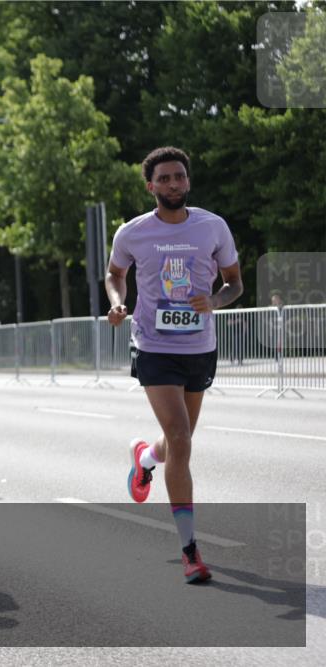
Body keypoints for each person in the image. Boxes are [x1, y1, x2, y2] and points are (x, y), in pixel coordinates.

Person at [107, 146, 243, 584]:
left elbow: (234, 283)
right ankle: (190, 550)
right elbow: (115, 273)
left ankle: (146, 457)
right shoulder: (132, 232)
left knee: (176, 442)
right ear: (151, 186)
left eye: (178, 177)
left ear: (188, 182)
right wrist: (117, 302)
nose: (172, 184)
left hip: (199, 347)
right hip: (153, 345)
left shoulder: (212, 227)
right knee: (182, 437)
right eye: (164, 179)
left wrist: (216, 300)